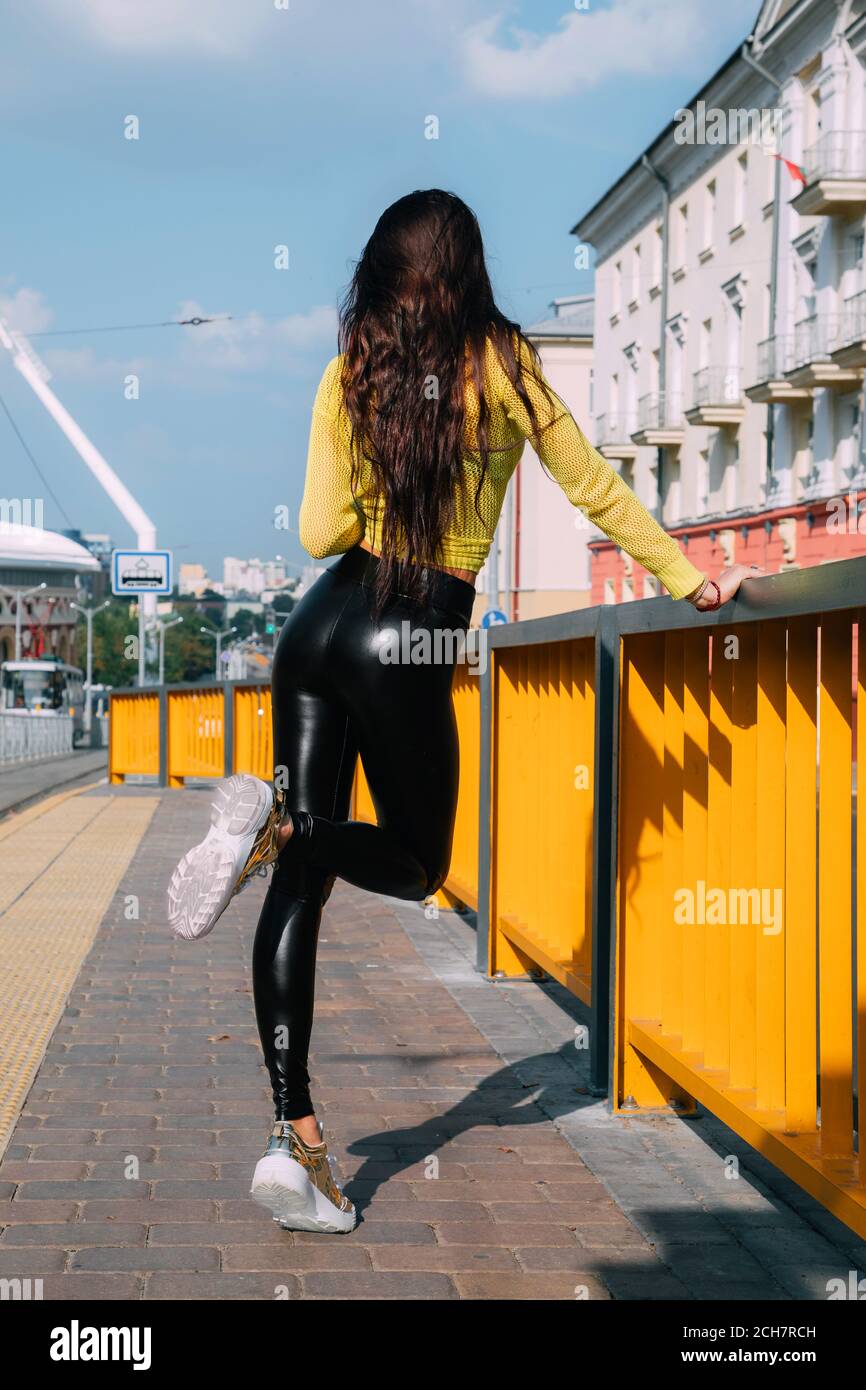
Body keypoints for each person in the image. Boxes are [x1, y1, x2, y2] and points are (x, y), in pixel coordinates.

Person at [167, 189, 762, 1234]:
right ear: (468, 267)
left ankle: (292, 1135)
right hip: (418, 630)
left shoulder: (351, 367)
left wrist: (367, 476)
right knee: (413, 862)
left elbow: (315, 530)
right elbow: (592, 489)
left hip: (317, 626)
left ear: (382, 271)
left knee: (299, 889)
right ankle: (282, 825)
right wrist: (683, 574)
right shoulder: (507, 366)